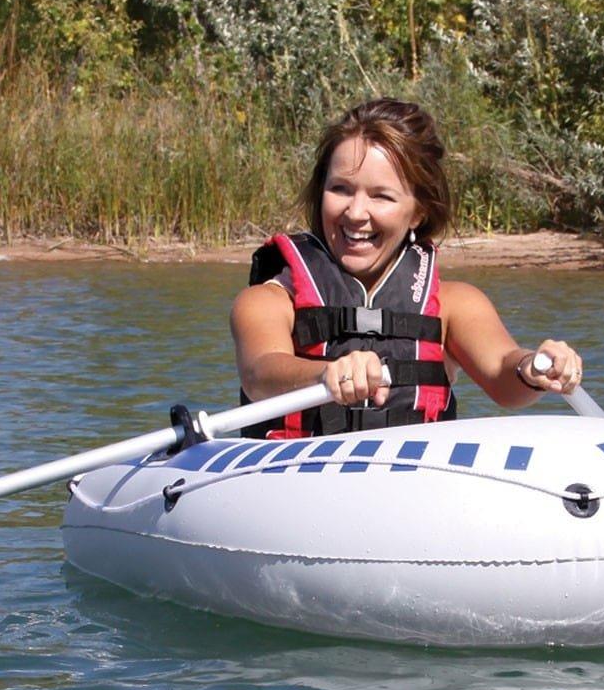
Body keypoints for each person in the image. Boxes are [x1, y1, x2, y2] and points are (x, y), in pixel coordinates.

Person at [229, 98, 585, 437]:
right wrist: (328, 373)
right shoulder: (268, 301)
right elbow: (260, 373)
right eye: (340, 189)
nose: (355, 213)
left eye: (380, 196)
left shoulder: (455, 305)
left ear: (418, 211)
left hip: (409, 481)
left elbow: (504, 378)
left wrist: (534, 366)